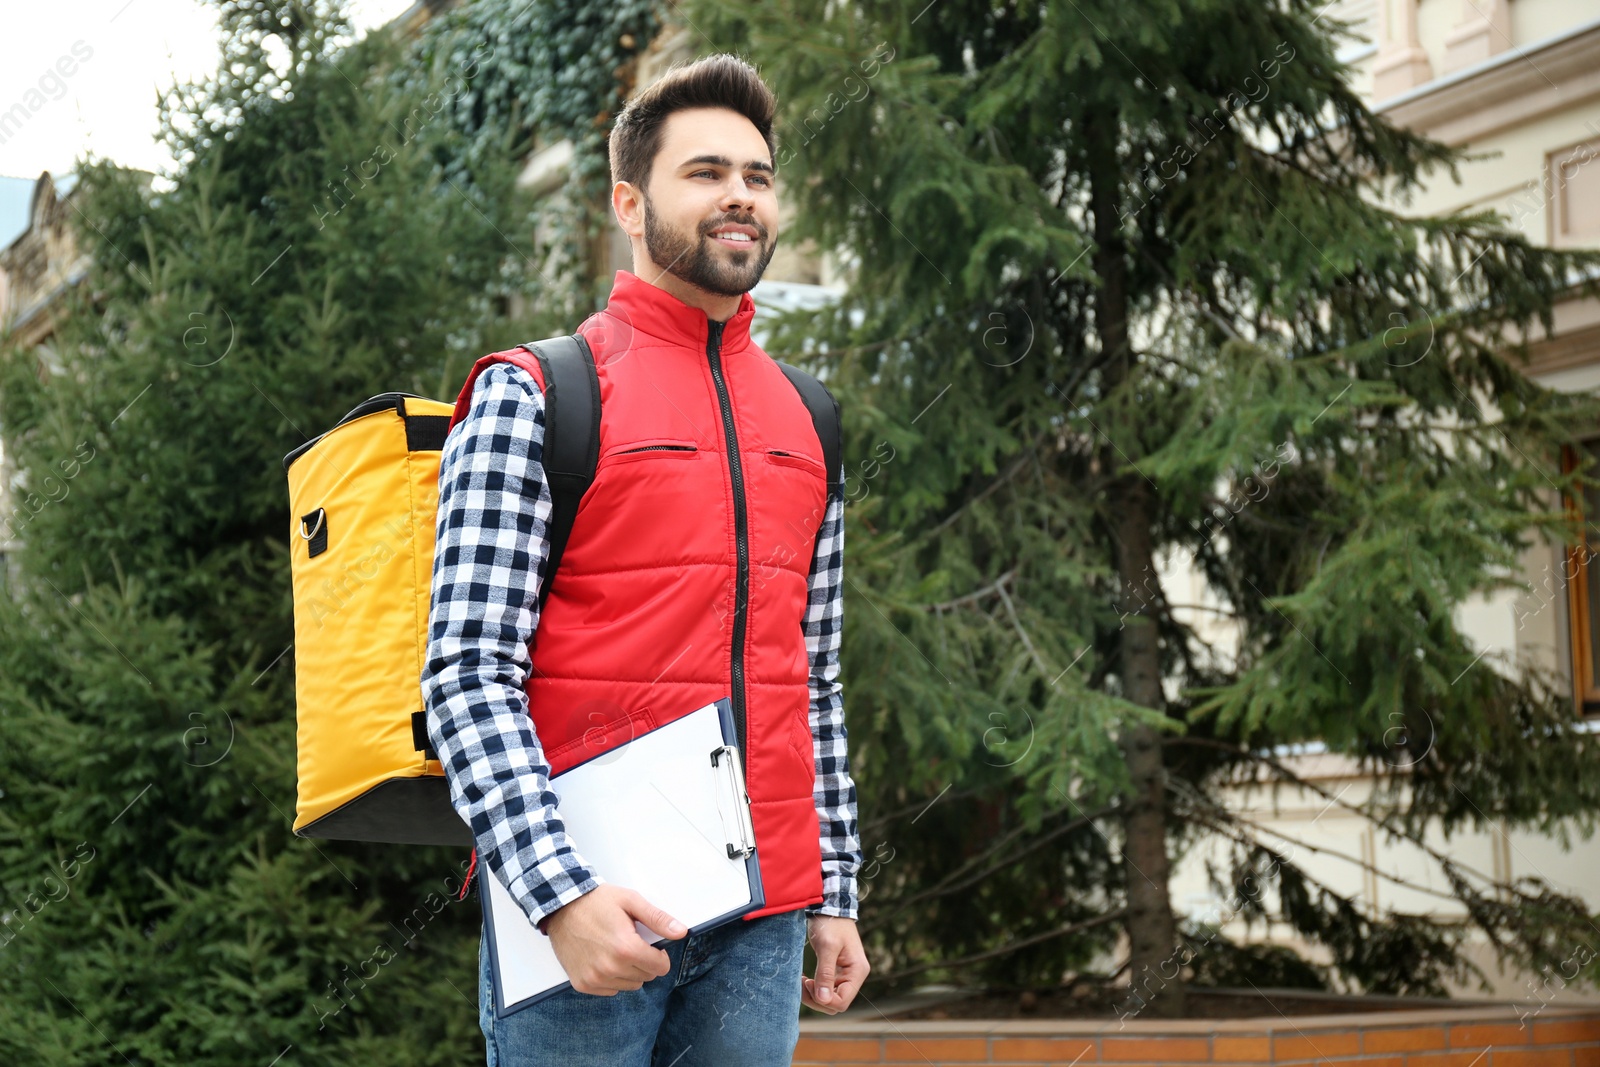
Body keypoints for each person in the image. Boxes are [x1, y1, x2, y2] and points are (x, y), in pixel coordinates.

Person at [421, 52, 868, 1066]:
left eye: (757, 175)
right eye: (705, 172)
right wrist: (559, 895)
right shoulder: (535, 393)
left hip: (765, 918)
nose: (739, 196)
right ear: (630, 201)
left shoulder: (809, 417)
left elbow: (816, 680)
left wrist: (833, 890)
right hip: (587, 915)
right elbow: (465, 673)